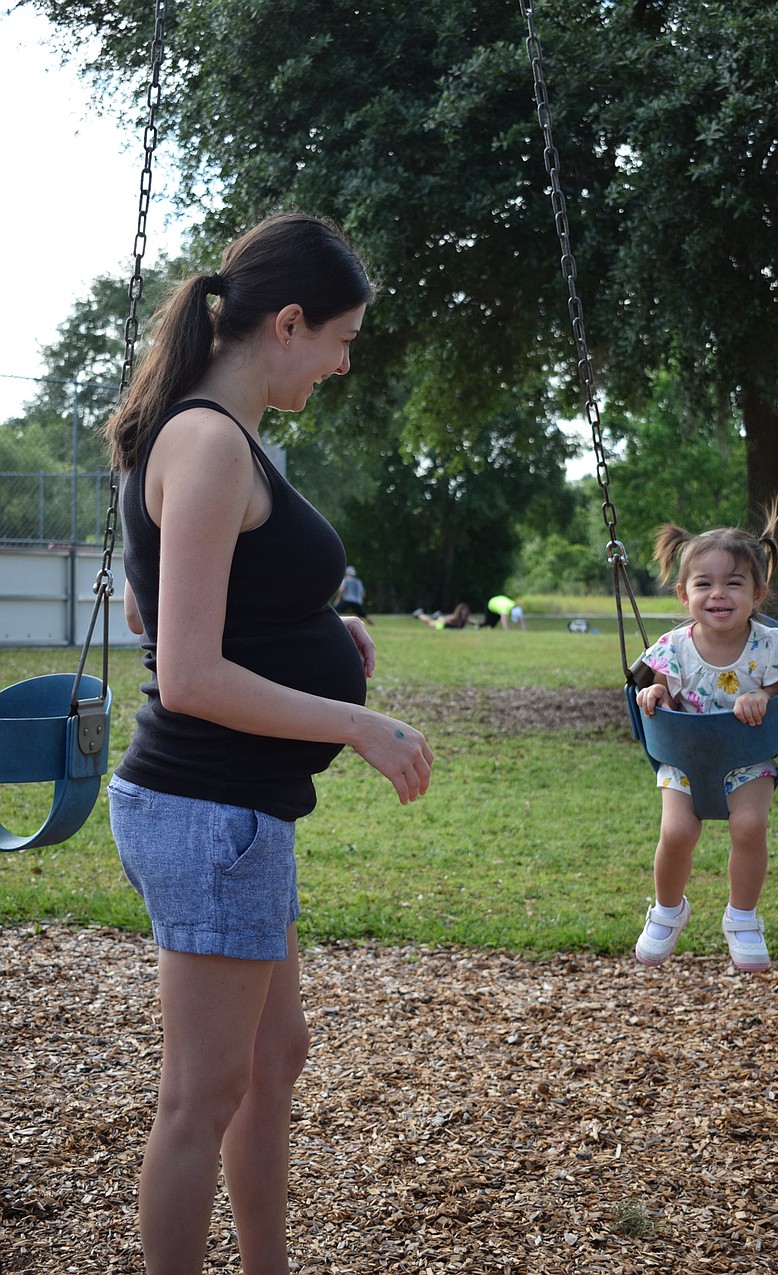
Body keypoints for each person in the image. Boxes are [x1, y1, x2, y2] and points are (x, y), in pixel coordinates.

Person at [105, 212, 433, 1275]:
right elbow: (191, 675)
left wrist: (320, 629)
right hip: (208, 806)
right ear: (286, 323)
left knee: (272, 1058)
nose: (342, 361)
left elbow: (180, 612)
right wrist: (359, 721)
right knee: (200, 1095)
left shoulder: (225, 438)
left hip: (239, 810)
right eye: (339, 338)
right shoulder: (204, 439)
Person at [633, 509, 778, 973]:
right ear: (684, 594)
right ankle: (668, 911)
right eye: (704, 584)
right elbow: (662, 685)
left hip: (748, 758)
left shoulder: (772, 645)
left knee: (749, 826)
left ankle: (742, 918)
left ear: (758, 594)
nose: (718, 593)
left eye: (734, 583)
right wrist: (654, 691)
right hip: (684, 760)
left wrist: (763, 695)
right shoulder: (673, 646)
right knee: (676, 832)